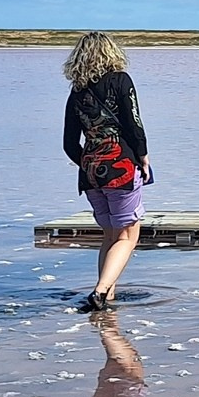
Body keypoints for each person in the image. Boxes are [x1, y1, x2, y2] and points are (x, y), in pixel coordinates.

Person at [60, 31, 150, 311]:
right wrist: (143, 157)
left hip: (89, 171)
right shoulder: (121, 80)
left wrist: (88, 162)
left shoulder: (77, 90)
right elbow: (134, 123)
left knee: (110, 236)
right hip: (121, 166)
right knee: (128, 236)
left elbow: (68, 143)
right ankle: (99, 292)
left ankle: (108, 298)